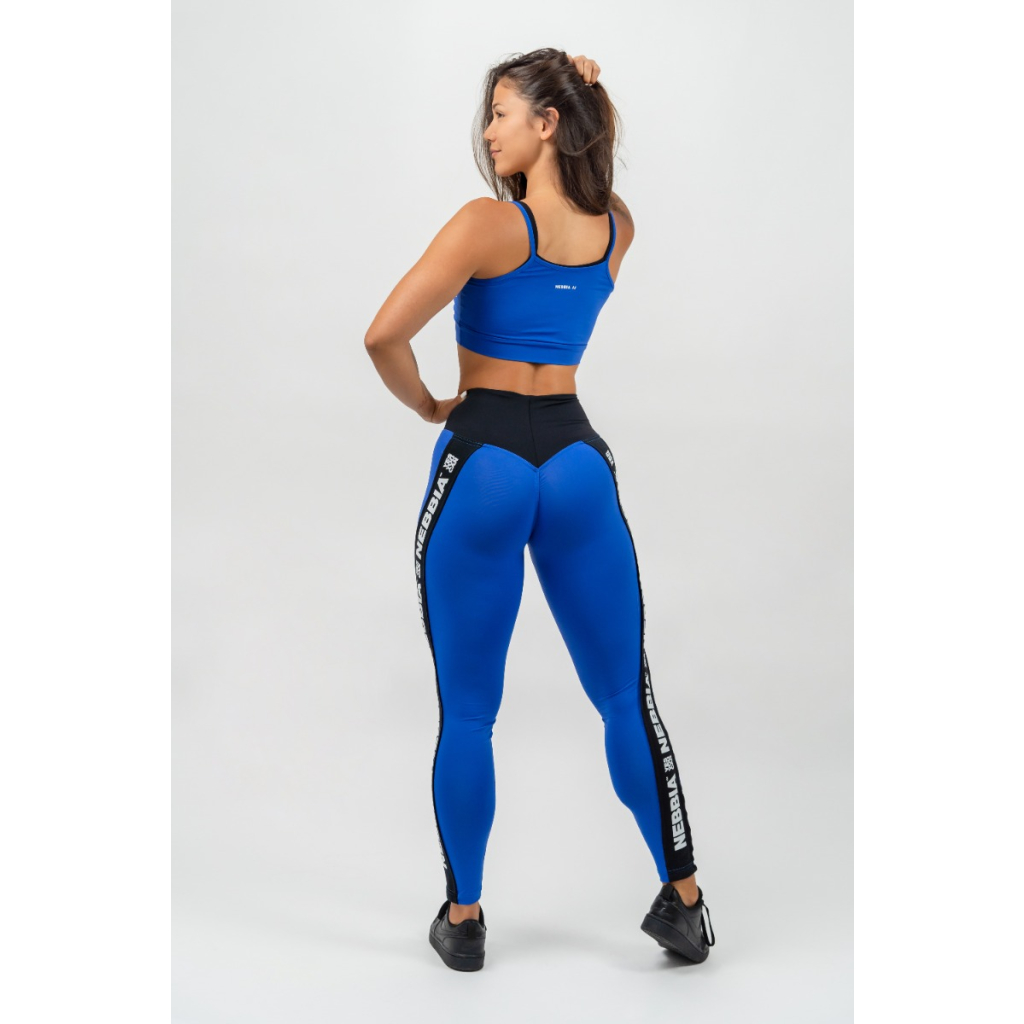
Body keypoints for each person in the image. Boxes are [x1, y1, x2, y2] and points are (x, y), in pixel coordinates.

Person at [364, 48, 715, 972]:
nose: (488, 132)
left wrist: (429, 406)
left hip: (484, 461)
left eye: (501, 111)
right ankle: (686, 903)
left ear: (546, 123)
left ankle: (465, 919)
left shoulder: (487, 223)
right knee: (625, 696)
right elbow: (591, 177)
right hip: (576, 465)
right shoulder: (616, 229)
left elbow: (383, 334)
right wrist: (584, 88)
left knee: (469, 713)